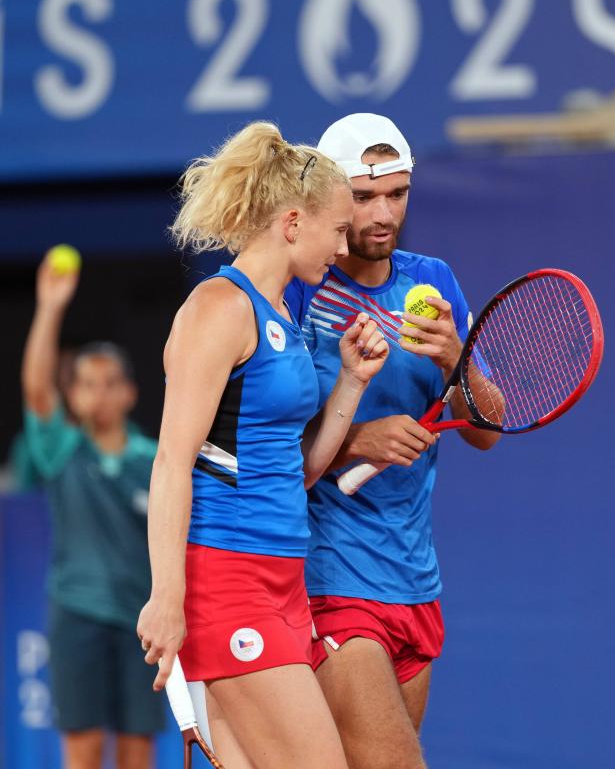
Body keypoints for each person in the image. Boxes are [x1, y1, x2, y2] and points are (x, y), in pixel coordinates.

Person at [136, 121, 389, 769]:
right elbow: (173, 460)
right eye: (337, 228)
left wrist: (353, 385)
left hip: (283, 579)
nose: (344, 244)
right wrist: (167, 597)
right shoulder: (218, 308)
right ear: (293, 223)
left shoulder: (285, 318)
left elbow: (296, 470)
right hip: (227, 578)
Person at [284, 113, 500, 769]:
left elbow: (487, 432)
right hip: (329, 575)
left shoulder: (432, 280)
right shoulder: (297, 291)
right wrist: (355, 440)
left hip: (414, 581)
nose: (384, 212)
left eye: (398, 194)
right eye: (364, 194)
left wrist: (455, 360)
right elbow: (263, 454)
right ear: (328, 194)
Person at [20, 254, 164, 769]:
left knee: (136, 752)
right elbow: (37, 390)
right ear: (72, 394)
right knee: (81, 753)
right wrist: (49, 307)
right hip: (76, 618)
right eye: (85, 382)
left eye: (109, 382)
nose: (97, 392)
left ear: (129, 393)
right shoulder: (62, 448)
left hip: (143, 625)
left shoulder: (157, 462)